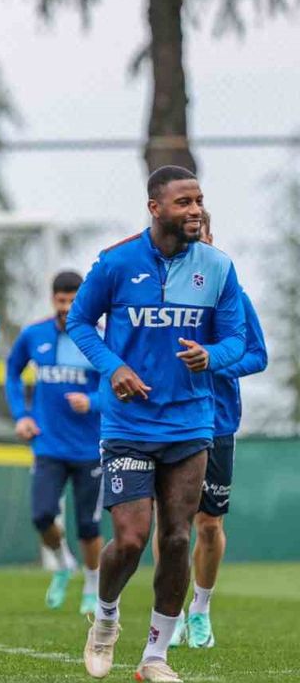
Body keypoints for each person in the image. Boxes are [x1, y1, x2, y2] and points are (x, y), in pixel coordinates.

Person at [68, 166, 245, 683]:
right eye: (184, 202)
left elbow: (237, 340)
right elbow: (80, 322)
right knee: (130, 538)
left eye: (199, 201)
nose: (195, 210)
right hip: (128, 425)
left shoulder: (218, 267)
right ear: (155, 208)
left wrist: (211, 356)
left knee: (176, 539)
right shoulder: (116, 262)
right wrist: (114, 367)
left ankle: (154, 656)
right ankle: (105, 617)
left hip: (190, 425)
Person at [170, 207, 267, 649]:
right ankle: (169, 613)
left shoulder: (233, 295)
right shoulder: (163, 296)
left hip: (218, 421)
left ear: (211, 239)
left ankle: (201, 610)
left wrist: (214, 361)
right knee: (172, 525)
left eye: (202, 234)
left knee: (209, 524)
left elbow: (258, 355)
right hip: (172, 420)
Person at [4, 271, 104, 614]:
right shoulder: (34, 335)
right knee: (42, 515)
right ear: (53, 300)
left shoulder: (100, 338)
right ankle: (63, 564)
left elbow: (118, 386)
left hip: (90, 449)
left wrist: (92, 401)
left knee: (89, 526)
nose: (66, 307)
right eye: (61, 300)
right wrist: (22, 415)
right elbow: (12, 372)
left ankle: (92, 586)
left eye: (74, 301)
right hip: (48, 445)